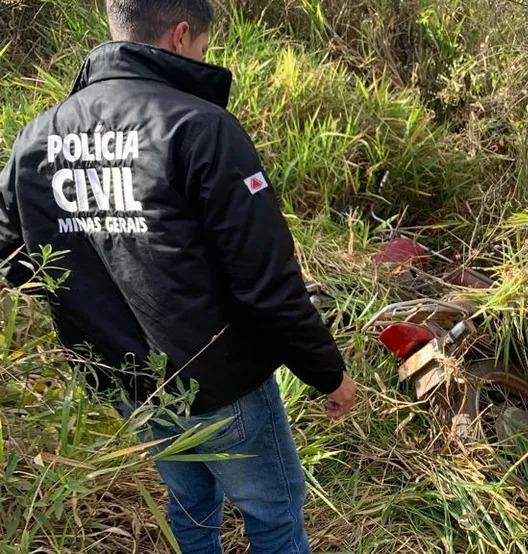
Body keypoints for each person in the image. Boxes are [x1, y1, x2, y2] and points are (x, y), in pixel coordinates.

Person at [0, 0, 356, 552]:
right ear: (181, 34)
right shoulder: (200, 127)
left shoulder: (37, 137)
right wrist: (328, 372)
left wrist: (87, 304)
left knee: (189, 504)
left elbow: (11, 255)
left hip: (124, 380)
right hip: (218, 379)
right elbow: (264, 282)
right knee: (275, 513)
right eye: (204, 46)